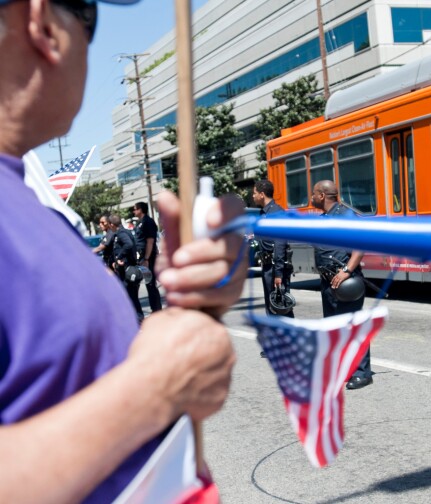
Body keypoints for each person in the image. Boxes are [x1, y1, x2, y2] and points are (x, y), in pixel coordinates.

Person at [0, 1, 247, 502]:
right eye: (90, 17)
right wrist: (157, 386)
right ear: (43, 23)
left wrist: (193, 304)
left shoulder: (29, 204)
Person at [311, 180, 372, 390]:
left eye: (313, 194)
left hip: (346, 282)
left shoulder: (346, 215)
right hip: (328, 282)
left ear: (321, 195)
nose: (311, 199)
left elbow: (360, 245)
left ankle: (363, 373)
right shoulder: (324, 217)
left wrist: (346, 271)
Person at [253, 180, 294, 317]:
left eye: (255, 193)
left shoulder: (276, 213)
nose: (253, 196)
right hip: (268, 267)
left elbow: (280, 244)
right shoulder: (264, 212)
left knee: (280, 306)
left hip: (275, 268)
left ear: (262, 194)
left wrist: (278, 274)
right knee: (272, 307)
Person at [109, 214, 144, 323]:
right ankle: (136, 321)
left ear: (111, 224)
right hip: (125, 270)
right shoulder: (122, 233)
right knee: (130, 297)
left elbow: (128, 244)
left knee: (131, 297)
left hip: (128, 271)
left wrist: (120, 257)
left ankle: (139, 321)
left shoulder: (121, 234)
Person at [133, 201, 162, 312]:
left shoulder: (148, 222)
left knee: (150, 284)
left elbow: (150, 241)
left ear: (141, 210)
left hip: (148, 258)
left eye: (135, 209)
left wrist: (146, 259)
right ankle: (155, 309)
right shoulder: (140, 222)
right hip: (142, 257)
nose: (134, 211)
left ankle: (157, 310)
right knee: (147, 283)